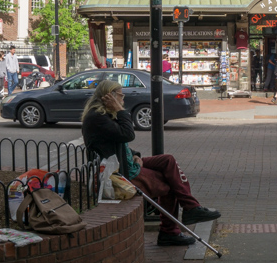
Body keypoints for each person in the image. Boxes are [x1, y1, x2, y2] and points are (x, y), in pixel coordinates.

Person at [82, 80, 221, 247]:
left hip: (126, 162)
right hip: (120, 172)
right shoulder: (97, 117)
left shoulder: (104, 115)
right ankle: (170, 232)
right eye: (120, 95)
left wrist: (134, 155)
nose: (123, 97)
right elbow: (127, 134)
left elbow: (116, 142)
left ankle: (191, 208)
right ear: (110, 97)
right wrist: (120, 110)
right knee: (169, 185)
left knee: (167, 160)